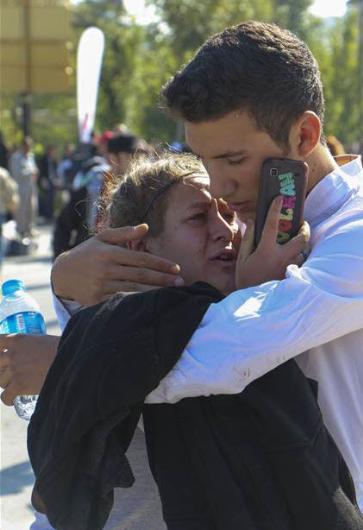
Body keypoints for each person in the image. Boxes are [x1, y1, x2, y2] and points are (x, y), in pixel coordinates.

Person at [48, 21, 363, 509]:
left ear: (304, 135)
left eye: (234, 159)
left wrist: (61, 363)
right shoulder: (254, 225)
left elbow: (229, 348)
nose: (217, 186)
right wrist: (71, 282)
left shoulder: (354, 233)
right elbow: (165, 312)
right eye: (204, 159)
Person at [24, 154, 359, 529]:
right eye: (198, 218)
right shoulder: (119, 330)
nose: (225, 230)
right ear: (140, 246)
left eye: (229, 214)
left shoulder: (252, 310)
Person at [9, 136, 39, 239]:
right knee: (21, 211)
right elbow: (16, 173)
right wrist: (30, 172)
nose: (28, 148)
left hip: (31, 188)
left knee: (32, 209)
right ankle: (20, 231)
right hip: (21, 189)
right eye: (27, 146)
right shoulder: (16, 157)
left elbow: (33, 168)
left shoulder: (31, 156)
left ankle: (29, 229)